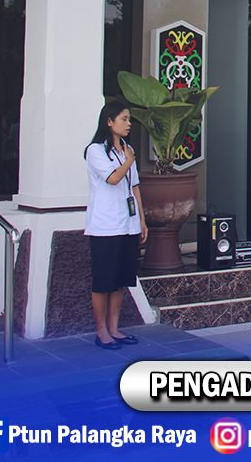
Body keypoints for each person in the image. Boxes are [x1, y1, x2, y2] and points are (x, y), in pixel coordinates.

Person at [84, 101, 148, 350]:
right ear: (109, 122)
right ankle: (101, 332)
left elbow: (134, 186)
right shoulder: (96, 150)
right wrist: (129, 161)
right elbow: (112, 178)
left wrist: (141, 220)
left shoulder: (127, 150)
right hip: (105, 225)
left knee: (121, 279)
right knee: (104, 280)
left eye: (129, 119)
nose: (129, 123)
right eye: (124, 119)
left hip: (127, 224)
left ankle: (114, 328)